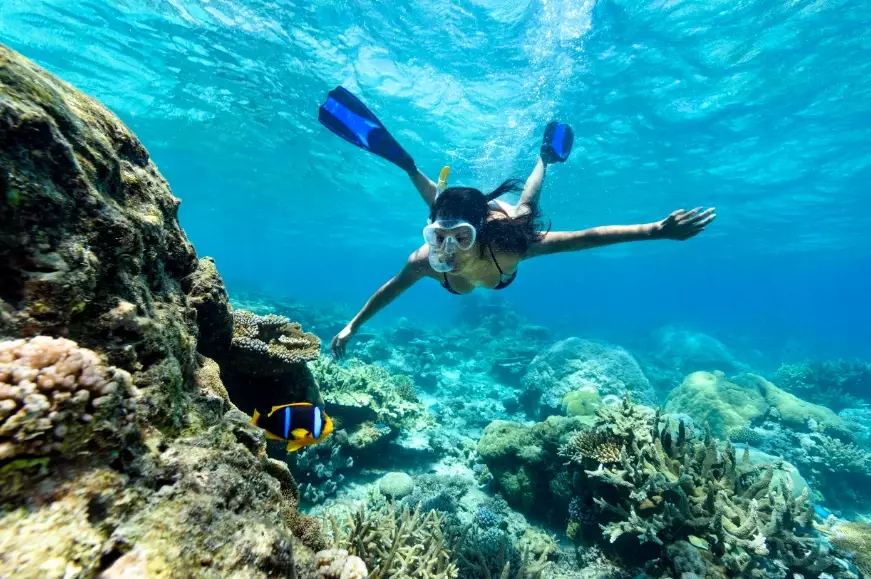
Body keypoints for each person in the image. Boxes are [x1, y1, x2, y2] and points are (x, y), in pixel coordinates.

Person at [318, 87, 716, 359]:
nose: (448, 249)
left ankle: (545, 156)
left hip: (502, 223)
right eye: (439, 238)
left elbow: (583, 239)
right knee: (435, 199)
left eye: (460, 238)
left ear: (480, 232)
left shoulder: (510, 243)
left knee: (526, 204)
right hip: (459, 215)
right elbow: (392, 289)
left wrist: (654, 230)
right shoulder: (428, 256)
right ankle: (407, 165)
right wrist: (353, 325)